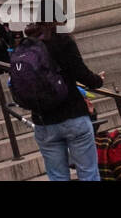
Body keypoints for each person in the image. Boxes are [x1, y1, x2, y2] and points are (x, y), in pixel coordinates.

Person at [22, 20, 104, 181]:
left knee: (57, 176)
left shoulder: (27, 46)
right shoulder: (63, 40)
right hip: (72, 114)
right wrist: (98, 80)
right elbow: (81, 72)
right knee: (88, 172)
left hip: (44, 119)